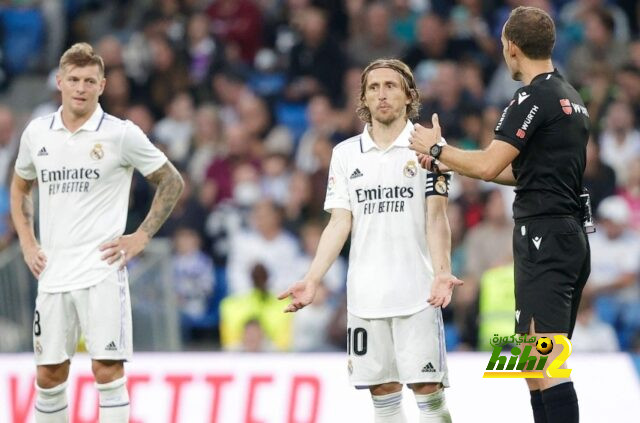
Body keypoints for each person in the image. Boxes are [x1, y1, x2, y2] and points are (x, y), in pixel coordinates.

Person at [409, 7, 590, 423]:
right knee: (529, 363)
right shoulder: (571, 98)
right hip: (557, 234)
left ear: (511, 47)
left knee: (548, 361)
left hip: (545, 236)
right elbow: (520, 172)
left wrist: (437, 149)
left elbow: (490, 165)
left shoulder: (532, 97)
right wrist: (451, 162)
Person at [278, 58, 462, 423]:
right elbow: (338, 223)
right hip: (365, 297)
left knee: (428, 393)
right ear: (362, 97)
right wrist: (312, 278)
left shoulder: (428, 147)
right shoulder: (345, 154)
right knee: (383, 396)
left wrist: (442, 271)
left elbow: (437, 216)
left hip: (417, 294)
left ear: (409, 96)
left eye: (391, 86)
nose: (382, 95)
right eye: (373, 87)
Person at [9, 43, 184, 423]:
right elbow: (21, 185)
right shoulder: (37, 133)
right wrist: (27, 241)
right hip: (52, 273)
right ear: (59, 82)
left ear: (102, 85)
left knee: (107, 370)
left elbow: (171, 181)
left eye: (90, 80)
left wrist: (141, 236)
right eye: (73, 79)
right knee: (49, 375)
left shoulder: (121, 134)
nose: (80, 88)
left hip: (101, 272)